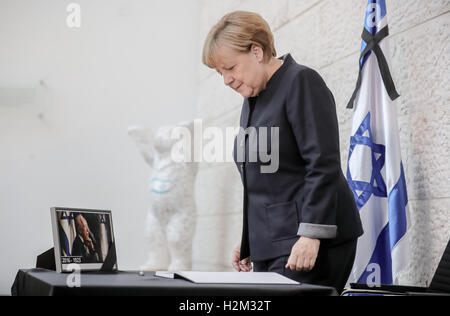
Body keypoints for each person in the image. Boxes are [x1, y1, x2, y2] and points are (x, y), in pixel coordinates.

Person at [202, 11, 364, 293]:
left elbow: (322, 164)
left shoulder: (301, 82)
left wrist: (312, 234)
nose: (226, 80)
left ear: (256, 51)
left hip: (311, 240)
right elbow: (265, 181)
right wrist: (251, 238)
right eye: (220, 73)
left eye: (230, 67)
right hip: (275, 243)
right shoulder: (253, 99)